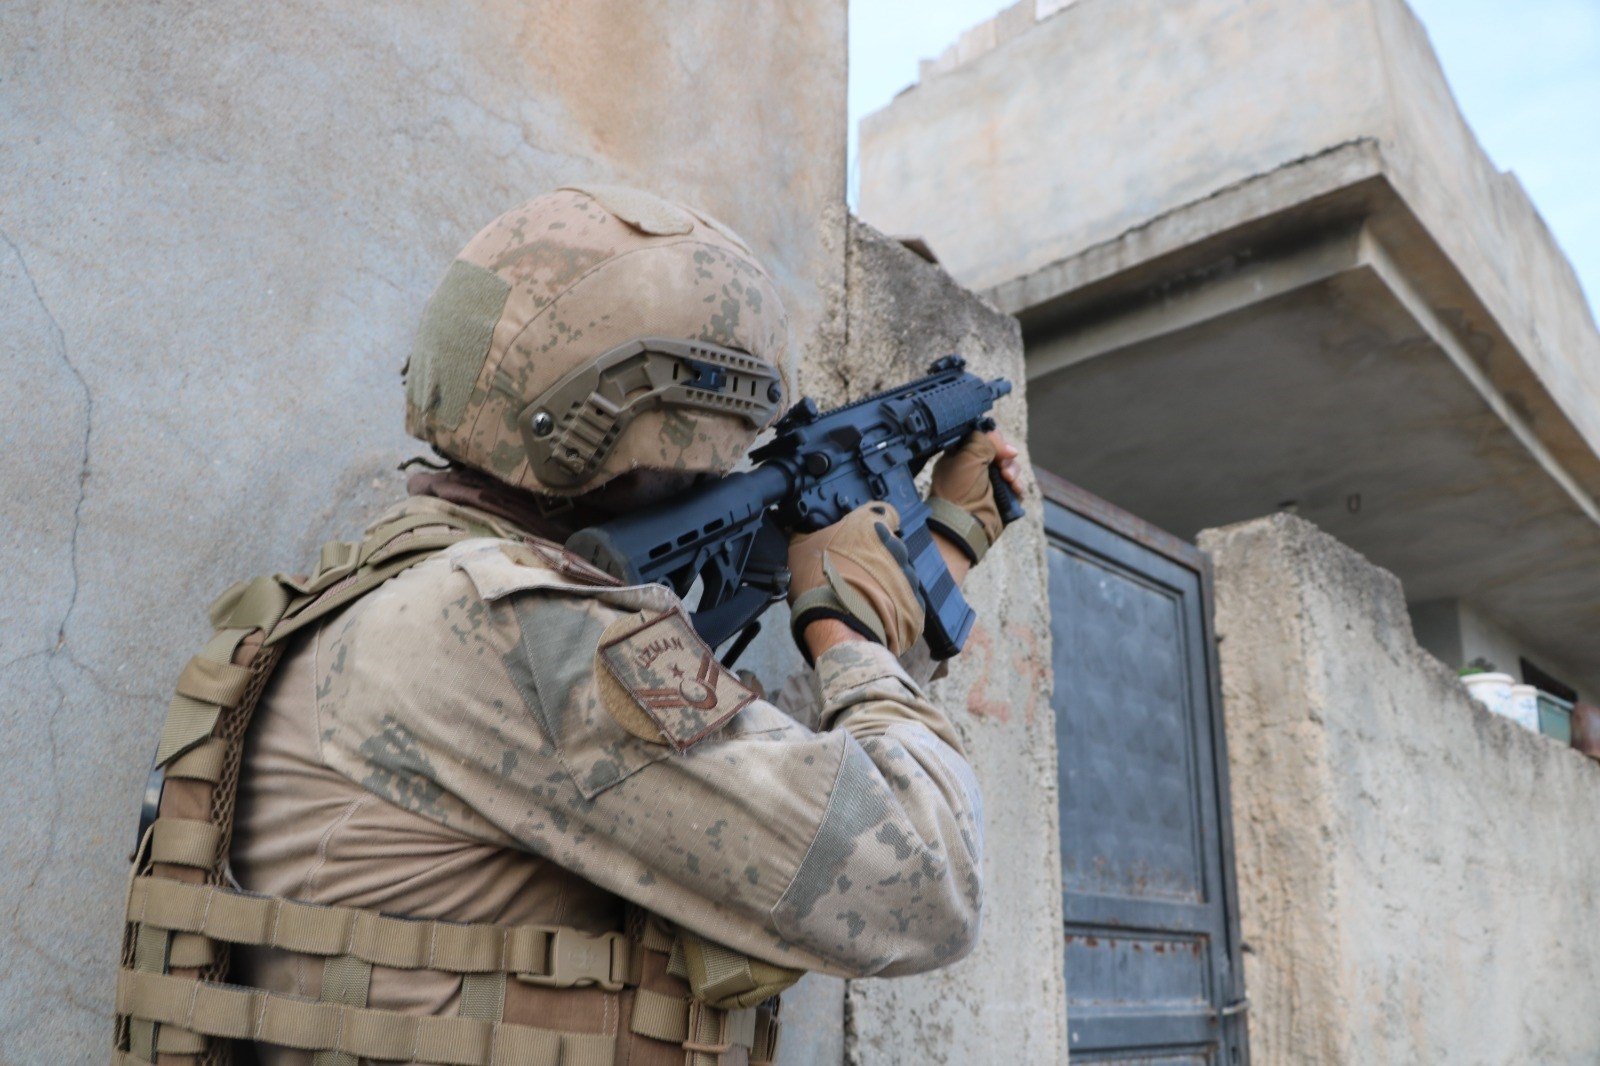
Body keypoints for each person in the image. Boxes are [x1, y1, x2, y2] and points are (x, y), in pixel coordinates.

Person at [114, 185, 1023, 1066]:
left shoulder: (393, 590)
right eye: (721, 442)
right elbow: (923, 884)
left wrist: (933, 553)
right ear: (651, 421)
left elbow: (742, 780)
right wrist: (850, 630)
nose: (727, 467)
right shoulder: (523, 634)